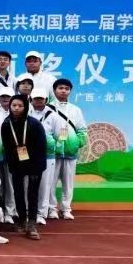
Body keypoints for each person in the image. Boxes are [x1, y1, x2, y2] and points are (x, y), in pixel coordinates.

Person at [0, 94, 47, 240]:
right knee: (18, 192)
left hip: (34, 163)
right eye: (14, 105)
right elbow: (7, 147)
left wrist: (36, 166)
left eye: (20, 106)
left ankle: (32, 223)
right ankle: (21, 220)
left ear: (26, 107)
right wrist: (12, 163)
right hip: (17, 163)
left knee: (32, 193)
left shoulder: (34, 124)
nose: (16, 108)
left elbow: (41, 146)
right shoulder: (6, 124)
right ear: (10, 107)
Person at [48, 78, 87, 220]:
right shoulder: (48, 108)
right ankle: (52, 208)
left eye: (66, 88)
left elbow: (82, 129)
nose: (63, 91)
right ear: (54, 91)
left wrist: (77, 143)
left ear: (70, 91)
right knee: (50, 182)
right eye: (60, 88)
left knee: (68, 183)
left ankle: (66, 209)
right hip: (53, 153)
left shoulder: (76, 110)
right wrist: (52, 145)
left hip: (70, 152)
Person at [29, 88, 66, 224]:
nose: (38, 101)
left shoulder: (53, 115)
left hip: (47, 156)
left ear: (46, 100)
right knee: (28, 185)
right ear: (31, 100)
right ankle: (29, 212)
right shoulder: (26, 113)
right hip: (28, 156)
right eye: (36, 98)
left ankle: (41, 214)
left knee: (45, 185)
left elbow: (62, 133)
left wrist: (57, 146)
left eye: (41, 98)